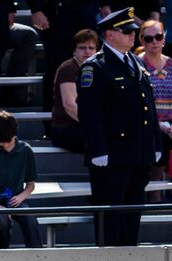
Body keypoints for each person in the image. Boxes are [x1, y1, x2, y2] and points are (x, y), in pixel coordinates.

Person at [77, 7, 163, 246]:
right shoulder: (95, 67)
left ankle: (128, 259)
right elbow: (89, 113)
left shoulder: (135, 62)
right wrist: (98, 149)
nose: (132, 35)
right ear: (110, 34)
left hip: (139, 153)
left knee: (132, 214)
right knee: (110, 217)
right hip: (112, 155)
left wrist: (154, 143)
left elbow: (149, 107)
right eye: (126, 31)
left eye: (133, 31)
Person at [0, 111, 43, 249]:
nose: (5, 146)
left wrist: (20, 197)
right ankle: (3, 254)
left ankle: (37, 255)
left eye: (8, 142)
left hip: (15, 200)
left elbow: (31, 184)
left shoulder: (25, 150)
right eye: (1, 143)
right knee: (2, 221)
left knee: (30, 219)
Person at [29, 0, 102, 117]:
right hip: (56, 14)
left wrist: (105, 4)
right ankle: (51, 125)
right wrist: (36, 9)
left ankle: (90, 117)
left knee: (91, 66)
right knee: (56, 69)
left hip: (86, 11)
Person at [137, 19, 172, 201]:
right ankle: (155, 197)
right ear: (141, 40)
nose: (154, 42)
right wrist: (157, 124)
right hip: (146, 122)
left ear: (164, 38)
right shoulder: (136, 66)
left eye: (158, 37)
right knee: (161, 139)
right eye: (148, 38)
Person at [50, 29, 100, 154]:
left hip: (86, 125)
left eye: (91, 48)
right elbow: (70, 105)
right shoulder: (68, 69)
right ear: (74, 50)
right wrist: (95, 125)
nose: (87, 52)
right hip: (66, 128)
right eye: (82, 48)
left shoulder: (98, 69)